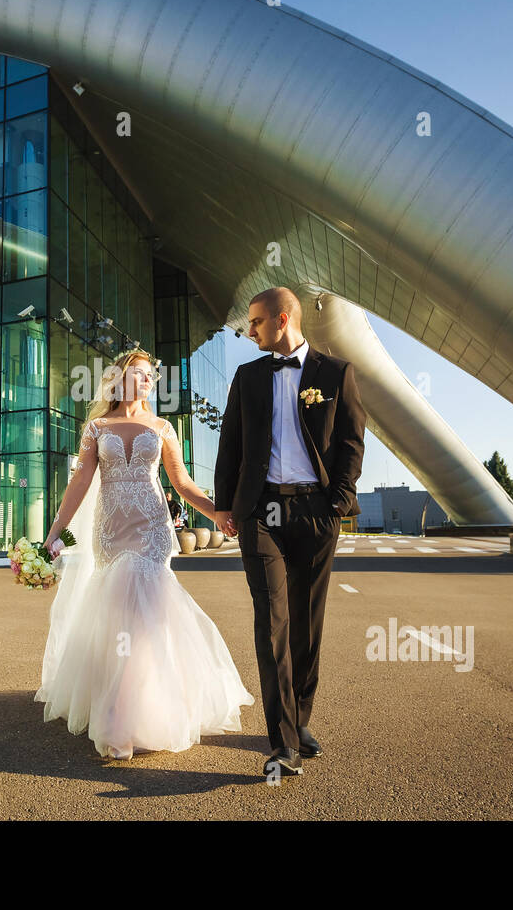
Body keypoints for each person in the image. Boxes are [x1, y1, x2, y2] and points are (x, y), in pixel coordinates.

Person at [36, 350, 254, 761]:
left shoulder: (162, 427)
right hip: (111, 531)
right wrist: (55, 534)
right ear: (119, 379)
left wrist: (220, 514)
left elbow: (183, 483)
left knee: (144, 616)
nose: (149, 379)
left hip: (153, 530)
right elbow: (80, 482)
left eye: (151, 374)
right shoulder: (98, 428)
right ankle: (120, 704)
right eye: (140, 373)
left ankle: (123, 716)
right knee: (121, 615)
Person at [214, 286, 366, 777]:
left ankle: (299, 720)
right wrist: (225, 507)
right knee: (272, 621)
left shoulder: (337, 373)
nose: (249, 331)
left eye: (255, 322)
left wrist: (339, 500)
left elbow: (351, 441)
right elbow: (230, 445)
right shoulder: (246, 376)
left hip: (316, 511)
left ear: (283, 320)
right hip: (263, 513)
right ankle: (281, 743)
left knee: (306, 621)